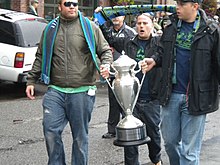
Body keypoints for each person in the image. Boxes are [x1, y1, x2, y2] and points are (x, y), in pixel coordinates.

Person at [25, 0, 112, 165]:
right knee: (50, 130)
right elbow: (40, 56)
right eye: (68, 3)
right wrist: (31, 80)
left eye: (75, 3)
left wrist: (106, 64)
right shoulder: (50, 28)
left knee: (79, 137)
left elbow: (105, 50)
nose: (72, 6)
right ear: (59, 7)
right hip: (55, 90)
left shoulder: (89, 27)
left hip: (82, 90)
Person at [142, 0, 220, 165]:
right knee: (170, 144)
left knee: (189, 152)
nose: (177, 7)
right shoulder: (170, 27)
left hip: (196, 98)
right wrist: (154, 60)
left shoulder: (211, 30)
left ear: (194, 6)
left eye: (182, 4)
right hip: (170, 96)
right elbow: (162, 51)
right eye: (177, 3)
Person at [95, 7, 162, 165]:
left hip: (151, 98)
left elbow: (162, 57)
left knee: (153, 134)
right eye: (139, 23)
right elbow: (106, 37)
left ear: (152, 25)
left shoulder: (159, 43)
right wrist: (102, 16)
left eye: (145, 23)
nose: (141, 26)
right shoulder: (128, 42)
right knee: (129, 138)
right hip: (130, 100)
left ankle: (156, 160)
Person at [102, 15, 137, 139]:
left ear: (124, 17)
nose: (115, 18)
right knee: (113, 100)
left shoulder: (130, 32)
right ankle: (112, 130)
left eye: (118, 15)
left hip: (127, 73)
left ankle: (127, 125)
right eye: (113, 16)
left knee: (127, 100)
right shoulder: (106, 31)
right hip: (112, 72)